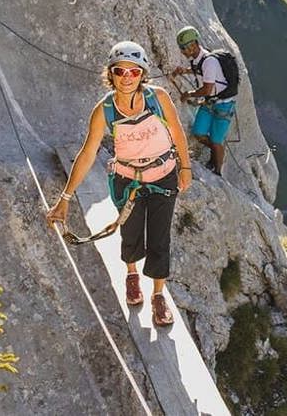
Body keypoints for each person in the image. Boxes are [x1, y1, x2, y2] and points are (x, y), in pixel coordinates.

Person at [46, 41, 191, 327]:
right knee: (131, 232)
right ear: (110, 74)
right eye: (120, 71)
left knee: (160, 238)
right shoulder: (104, 111)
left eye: (134, 72)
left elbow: (177, 133)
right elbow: (88, 153)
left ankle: (158, 296)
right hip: (128, 181)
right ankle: (132, 274)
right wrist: (65, 198)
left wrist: (185, 168)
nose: (127, 77)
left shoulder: (158, 98)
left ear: (143, 74)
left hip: (164, 176)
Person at [173, 26, 236, 176]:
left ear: (194, 45)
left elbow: (207, 89)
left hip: (224, 104)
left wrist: (189, 94)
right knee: (199, 133)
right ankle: (216, 151)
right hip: (211, 101)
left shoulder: (209, 62)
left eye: (184, 48)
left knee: (216, 140)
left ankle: (218, 171)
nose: (182, 51)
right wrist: (184, 71)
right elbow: (199, 70)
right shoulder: (199, 59)